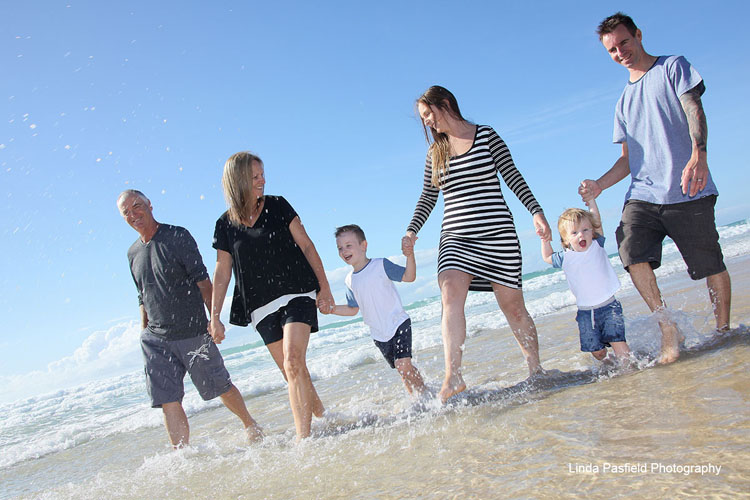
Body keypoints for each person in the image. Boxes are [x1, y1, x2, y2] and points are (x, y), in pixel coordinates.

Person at [579, 12, 732, 364]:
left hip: (688, 188)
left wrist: (699, 153)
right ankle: (668, 327)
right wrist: (599, 185)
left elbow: (694, 107)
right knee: (630, 250)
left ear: (638, 35)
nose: (621, 53)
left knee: (710, 264)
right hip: (644, 194)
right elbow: (629, 158)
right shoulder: (623, 102)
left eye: (624, 43)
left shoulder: (673, 67)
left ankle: (723, 333)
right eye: (613, 50)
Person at [403, 85, 551, 403]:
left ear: (444, 104)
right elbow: (429, 195)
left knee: (513, 307)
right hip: (456, 238)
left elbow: (512, 175)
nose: (427, 122)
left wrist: (536, 212)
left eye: (428, 114)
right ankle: (453, 376)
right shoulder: (434, 154)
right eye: (423, 118)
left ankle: (535, 368)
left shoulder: (486, 135)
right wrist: (413, 231)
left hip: (498, 234)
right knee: (450, 294)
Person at [117, 189, 263, 448]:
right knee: (168, 400)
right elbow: (142, 296)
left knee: (220, 386)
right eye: (126, 212)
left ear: (150, 204)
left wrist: (214, 319)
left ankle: (250, 424)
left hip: (192, 332)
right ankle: (181, 454)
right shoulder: (131, 253)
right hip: (155, 339)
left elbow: (202, 280)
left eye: (137, 206)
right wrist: (144, 332)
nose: (133, 214)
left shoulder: (176, 236)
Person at [209, 151, 333, 441]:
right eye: (255, 176)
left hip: (297, 292)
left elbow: (307, 246)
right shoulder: (224, 225)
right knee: (293, 371)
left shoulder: (278, 205)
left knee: (292, 361)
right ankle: (325, 419)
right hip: (260, 306)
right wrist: (214, 317)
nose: (262, 180)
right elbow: (222, 272)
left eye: (262, 174)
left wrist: (324, 286)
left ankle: (304, 441)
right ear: (238, 181)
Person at [330, 224, 427, 396]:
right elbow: (352, 309)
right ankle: (416, 400)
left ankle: (426, 393)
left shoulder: (380, 265)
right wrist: (331, 309)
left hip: (398, 322)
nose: (344, 251)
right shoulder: (349, 280)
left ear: (364, 245)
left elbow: (409, 277)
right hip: (379, 334)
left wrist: (410, 256)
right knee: (402, 370)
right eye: (340, 248)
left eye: (348, 245)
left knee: (402, 365)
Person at [540, 197, 631, 363]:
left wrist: (591, 201)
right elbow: (547, 257)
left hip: (609, 306)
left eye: (585, 230)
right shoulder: (565, 258)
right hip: (586, 313)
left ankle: (629, 369)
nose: (581, 235)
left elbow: (597, 221)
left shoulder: (597, 245)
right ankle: (610, 366)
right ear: (566, 239)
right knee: (597, 352)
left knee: (618, 341)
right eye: (574, 233)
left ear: (593, 232)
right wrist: (544, 240)